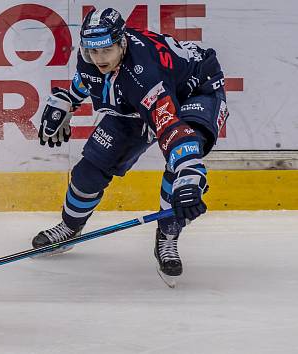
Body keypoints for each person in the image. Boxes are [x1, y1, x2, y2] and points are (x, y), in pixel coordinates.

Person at [34, 8, 228, 279]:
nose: (99, 58)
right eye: (93, 51)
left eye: (106, 51)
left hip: (195, 89)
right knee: (89, 171)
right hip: (140, 98)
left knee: (182, 164)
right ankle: (70, 227)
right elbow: (88, 78)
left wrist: (190, 171)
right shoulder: (93, 53)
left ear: (122, 42)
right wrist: (68, 99)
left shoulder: (144, 76)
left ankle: (168, 234)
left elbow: (170, 128)